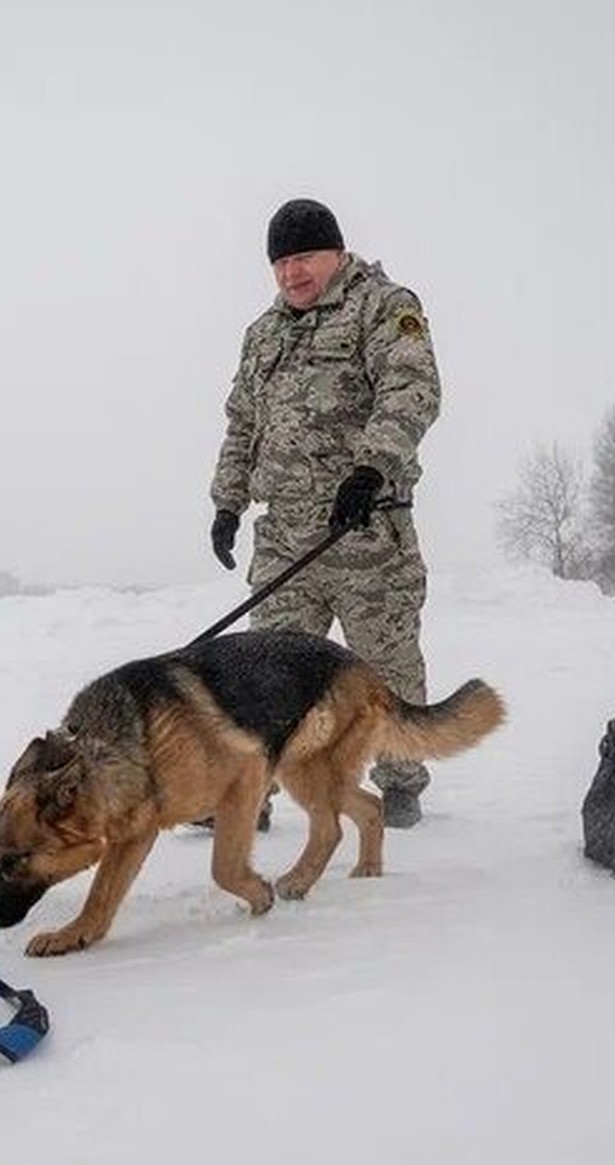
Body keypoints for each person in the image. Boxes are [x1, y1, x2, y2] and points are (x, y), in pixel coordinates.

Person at [209, 198, 441, 828]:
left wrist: (371, 467)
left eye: (304, 257)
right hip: (286, 538)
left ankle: (400, 782)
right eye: (281, 263)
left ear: (336, 252)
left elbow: (412, 390)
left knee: (385, 665)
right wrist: (227, 501)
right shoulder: (264, 334)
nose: (292, 274)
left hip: (365, 532)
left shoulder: (384, 307)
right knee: (268, 674)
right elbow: (242, 422)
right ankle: (250, 792)